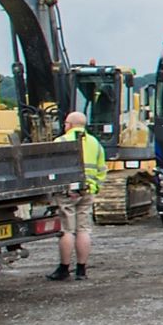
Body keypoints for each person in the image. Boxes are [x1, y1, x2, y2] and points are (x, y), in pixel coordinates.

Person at [50, 110, 106, 281]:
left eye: (66, 123)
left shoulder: (61, 141)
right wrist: (95, 187)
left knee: (67, 230)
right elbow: (102, 169)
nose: (64, 126)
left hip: (67, 192)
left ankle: (64, 268)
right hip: (88, 190)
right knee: (83, 229)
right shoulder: (95, 143)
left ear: (71, 125)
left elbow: (52, 169)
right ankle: (81, 270)